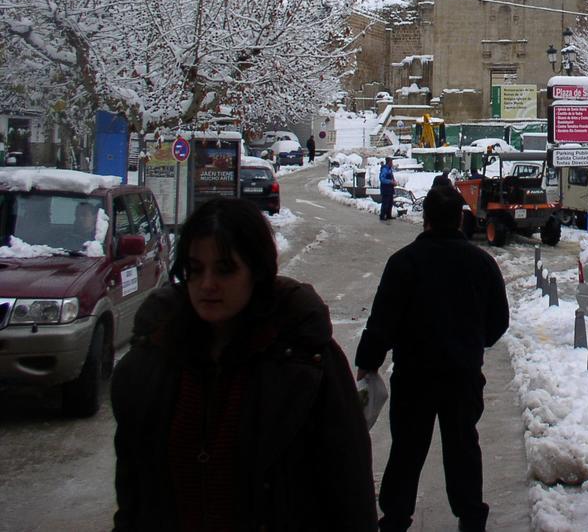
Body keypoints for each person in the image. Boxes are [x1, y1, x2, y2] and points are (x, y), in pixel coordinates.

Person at [110, 198, 375, 532]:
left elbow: (349, 491)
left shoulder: (306, 360)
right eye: (195, 268)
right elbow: (134, 493)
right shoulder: (153, 359)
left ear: (257, 271)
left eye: (225, 269)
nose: (207, 284)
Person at [356, 185, 510, 532]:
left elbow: (382, 321)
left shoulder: (403, 263)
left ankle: (395, 519)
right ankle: (471, 518)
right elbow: (499, 320)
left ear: (424, 219)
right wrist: (473, 344)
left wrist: (368, 361)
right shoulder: (481, 263)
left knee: (407, 450)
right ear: (460, 219)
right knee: (463, 449)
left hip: (414, 377)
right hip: (462, 376)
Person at [380, 156, 396, 221]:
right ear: (388, 162)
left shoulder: (389, 169)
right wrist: (390, 182)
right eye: (391, 162)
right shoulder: (384, 169)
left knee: (390, 202)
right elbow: (382, 179)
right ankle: (382, 215)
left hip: (390, 188)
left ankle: (389, 215)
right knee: (385, 203)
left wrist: (394, 181)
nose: (392, 163)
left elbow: (391, 176)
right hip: (385, 188)